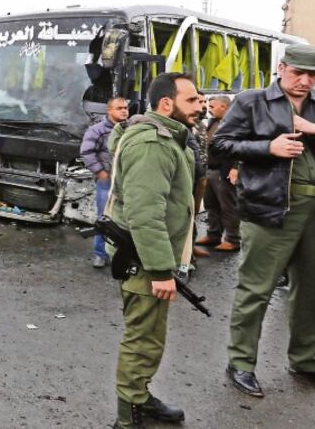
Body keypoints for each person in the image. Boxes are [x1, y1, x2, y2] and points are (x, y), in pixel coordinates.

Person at [212, 44, 315, 397]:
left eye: (313, 75)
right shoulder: (252, 101)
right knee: (256, 289)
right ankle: (241, 362)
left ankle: (308, 361)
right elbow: (219, 146)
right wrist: (267, 148)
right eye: (298, 73)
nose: (305, 81)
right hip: (269, 207)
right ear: (281, 68)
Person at [108, 72, 200, 428]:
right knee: (142, 340)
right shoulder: (153, 143)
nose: (199, 106)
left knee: (150, 336)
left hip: (149, 255)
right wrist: (161, 270)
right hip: (146, 260)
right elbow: (145, 213)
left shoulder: (168, 137)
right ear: (166, 103)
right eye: (191, 100)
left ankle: (140, 397)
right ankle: (128, 417)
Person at [80, 97, 130, 268]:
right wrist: (100, 172)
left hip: (126, 182)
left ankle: (121, 254)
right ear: (109, 110)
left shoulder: (131, 129)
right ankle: (100, 254)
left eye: (126, 108)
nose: (124, 111)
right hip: (107, 182)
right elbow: (86, 152)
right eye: (119, 108)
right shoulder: (97, 130)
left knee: (126, 218)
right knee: (104, 218)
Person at [195, 95, 240, 254]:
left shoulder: (235, 124)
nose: (209, 109)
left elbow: (239, 147)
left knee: (228, 206)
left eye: (212, 106)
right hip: (210, 169)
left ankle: (232, 240)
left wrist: (235, 167)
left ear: (224, 106)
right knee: (211, 205)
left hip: (224, 171)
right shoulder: (213, 122)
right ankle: (213, 235)